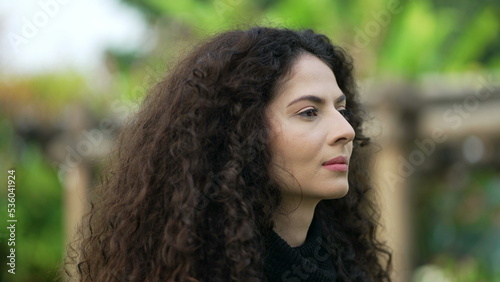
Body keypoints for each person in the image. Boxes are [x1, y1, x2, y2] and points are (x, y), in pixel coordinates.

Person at [65, 26, 392, 281]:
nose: (346, 130)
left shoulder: (352, 267)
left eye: (342, 109)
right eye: (309, 112)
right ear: (241, 132)